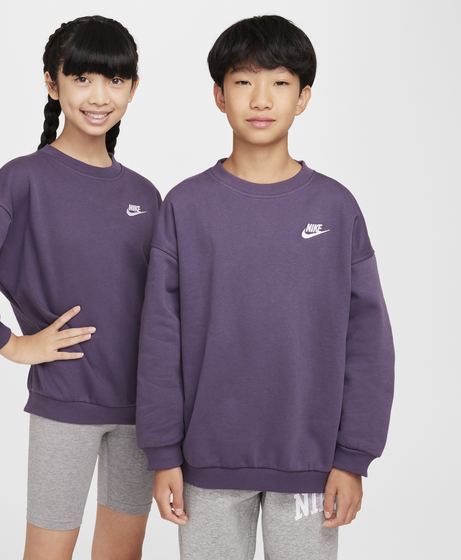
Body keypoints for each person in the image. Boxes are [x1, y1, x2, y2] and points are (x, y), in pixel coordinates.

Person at [136, 14, 394, 560]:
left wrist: (353, 458)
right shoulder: (185, 206)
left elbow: (368, 341)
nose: (260, 99)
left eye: (279, 82)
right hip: (205, 463)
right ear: (218, 95)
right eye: (243, 81)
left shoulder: (335, 207)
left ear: (303, 98)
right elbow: (159, 338)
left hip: (311, 465)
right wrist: (162, 454)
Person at [0, 15, 160, 560]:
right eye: (82, 78)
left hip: (143, 413)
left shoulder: (146, 195)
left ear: (133, 88)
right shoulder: (23, 179)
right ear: (53, 82)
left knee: (123, 555)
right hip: (64, 403)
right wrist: (11, 343)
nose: (99, 96)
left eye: (115, 80)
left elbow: (166, 307)